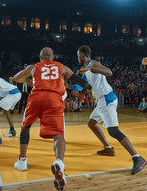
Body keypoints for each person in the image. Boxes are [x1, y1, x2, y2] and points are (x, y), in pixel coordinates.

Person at [12, 47, 91, 190]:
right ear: (53, 57)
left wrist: (29, 82)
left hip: (36, 97)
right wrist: (88, 86)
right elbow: (77, 79)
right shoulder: (62, 67)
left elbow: (16, 77)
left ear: (40, 57)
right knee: (58, 134)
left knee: (26, 127)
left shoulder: (34, 66)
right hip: (54, 99)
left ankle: (22, 161)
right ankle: (59, 163)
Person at [78, 45, 147, 175]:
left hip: (107, 99)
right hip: (101, 101)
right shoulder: (86, 69)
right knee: (91, 123)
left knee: (113, 131)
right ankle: (108, 148)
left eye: (78, 55)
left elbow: (109, 72)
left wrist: (91, 68)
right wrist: (71, 83)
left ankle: (138, 158)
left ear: (83, 55)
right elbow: (88, 86)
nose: (77, 57)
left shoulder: (92, 63)